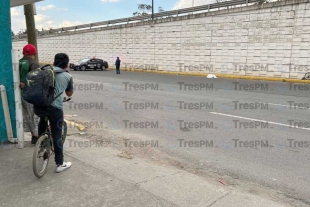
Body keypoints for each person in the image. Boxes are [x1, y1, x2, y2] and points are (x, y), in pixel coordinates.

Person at [34, 53, 74, 173]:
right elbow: (69, 94)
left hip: (39, 106)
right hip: (55, 109)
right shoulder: (67, 76)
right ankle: (60, 164)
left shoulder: (44, 71)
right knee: (57, 134)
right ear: (66, 64)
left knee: (43, 119)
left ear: (54, 62)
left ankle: (40, 144)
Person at [19, 44, 40, 144]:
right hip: (29, 94)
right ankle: (35, 136)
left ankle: (33, 134)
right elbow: (35, 80)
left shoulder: (18, 62)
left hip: (19, 93)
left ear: (23, 53)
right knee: (33, 114)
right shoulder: (34, 64)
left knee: (26, 114)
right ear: (34, 53)